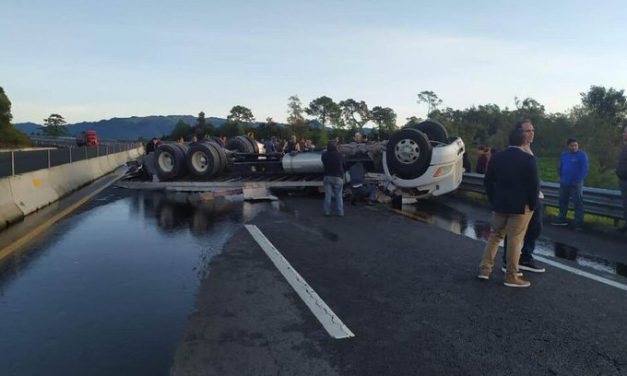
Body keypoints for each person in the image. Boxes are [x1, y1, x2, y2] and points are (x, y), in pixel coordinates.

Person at [478, 128, 539, 288]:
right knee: (514, 240)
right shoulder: (528, 159)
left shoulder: (497, 157)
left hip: (500, 204)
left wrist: (494, 200)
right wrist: (532, 205)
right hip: (520, 206)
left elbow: (488, 181)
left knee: (495, 236)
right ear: (524, 141)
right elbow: (534, 186)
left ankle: (485, 269)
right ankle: (511, 276)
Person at [501, 120, 546, 274]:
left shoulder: (529, 149)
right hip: (522, 198)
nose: (531, 133)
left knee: (535, 228)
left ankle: (525, 257)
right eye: (527, 130)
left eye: (532, 130)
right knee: (514, 231)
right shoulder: (515, 150)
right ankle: (508, 261)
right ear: (519, 132)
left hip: (535, 196)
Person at [552, 138, 589, 229]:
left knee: (578, 203)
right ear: (568, 146)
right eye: (572, 145)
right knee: (562, 201)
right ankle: (561, 219)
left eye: (575, 145)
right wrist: (560, 176)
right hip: (564, 182)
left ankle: (578, 222)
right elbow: (560, 166)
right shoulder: (564, 155)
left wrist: (578, 180)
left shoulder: (582, 155)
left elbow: (584, 169)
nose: (574, 147)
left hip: (576, 184)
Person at [321, 140, 345, 216]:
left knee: (328, 195)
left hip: (327, 176)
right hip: (338, 177)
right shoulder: (339, 155)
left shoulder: (324, 155)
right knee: (339, 196)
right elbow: (344, 163)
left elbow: (323, 161)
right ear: (336, 147)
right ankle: (340, 212)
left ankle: (327, 211)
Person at [617, 126, 627, 232]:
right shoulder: (625, 147)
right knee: (625, 204)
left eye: (624, 132)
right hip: (623, 180)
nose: (623, 134)